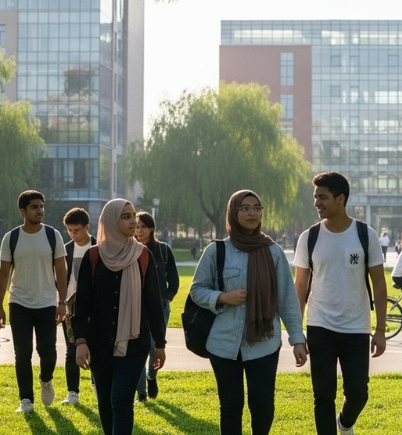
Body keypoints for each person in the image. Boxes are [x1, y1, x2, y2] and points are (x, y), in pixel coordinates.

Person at [190, 190, 306, 435]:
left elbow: (287, 299)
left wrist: (297, 339)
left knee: (263, 406)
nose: (252, 213)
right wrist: (222, 297)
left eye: (257, 207)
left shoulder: (273, 252)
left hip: (264, 343)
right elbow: (197, 290)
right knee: (231, 407)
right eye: (245, 208)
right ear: (234, 212)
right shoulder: (217, 251)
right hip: (223, 344)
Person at [294, 172, 387, 435]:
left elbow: (379, 284)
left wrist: (380, 330)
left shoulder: (364, 234)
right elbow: (300, 286)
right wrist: (296, 333)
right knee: (323, 396)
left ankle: (345, 424)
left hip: (356, 326)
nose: (317, 203)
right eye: (315, 197)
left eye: (322, 197)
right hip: (319, 325)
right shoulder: (309, 237)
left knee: (358, 393)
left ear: (341, 199)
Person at [72, 199, 166, 435]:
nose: (133, 221)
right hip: (99, 343)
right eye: (125, 216)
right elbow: (82, 305)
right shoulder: (93, 257)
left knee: (120, 400)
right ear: (111, 221)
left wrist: (160, 345)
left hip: (134, 344)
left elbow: (154, 304)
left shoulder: (142, 255)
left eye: (133, 215)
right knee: (104, 402)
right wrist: (81, 342)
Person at [0, 190, 69, 414]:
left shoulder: (52, 235)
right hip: (19, 303)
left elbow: (61, 270)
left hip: (47, 302)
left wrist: (62, 301)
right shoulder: (12, 238)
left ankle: (46, 380)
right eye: (35, 207)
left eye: (41, 206)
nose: (40, 211)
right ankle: (26, 399)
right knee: (22, 353)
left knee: (48, 352)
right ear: (23, 211)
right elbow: (3, 273)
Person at [135, 211, 180, 402]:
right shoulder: (131, 249)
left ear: (151, 228)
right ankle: (141, 394)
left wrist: (168, 297)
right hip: (136, 309)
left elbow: (174, 279)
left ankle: (151, 377)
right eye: (136, 226)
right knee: (138, 352)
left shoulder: (162, 250)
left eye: (142, 226)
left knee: (155, 349)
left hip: (160, 308)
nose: (138, 230)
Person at [61, 207, 96, 405]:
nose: (73, 234)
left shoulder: (99, 247)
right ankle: (72, 393)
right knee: (71, 350)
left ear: (87, 227)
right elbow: (58, 279)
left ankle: (97, 386)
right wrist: (61, 304)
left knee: (95, 350)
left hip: (94, 306)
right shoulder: (65, 250)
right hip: (70, 307)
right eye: (69, 230)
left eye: (77, 230)